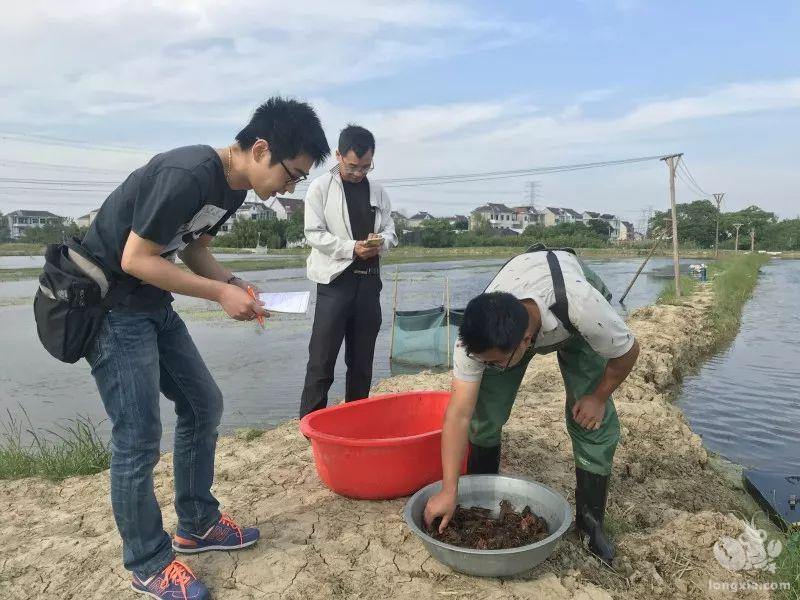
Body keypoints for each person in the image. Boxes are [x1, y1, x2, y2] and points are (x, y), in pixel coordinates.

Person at [80, 97, 330, 599]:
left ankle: (197, 524)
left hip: (150, 302)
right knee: (138, 436)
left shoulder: (234, 189)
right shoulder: (189, 172)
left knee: (202, 403)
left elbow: (193, 248)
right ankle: (148, 562)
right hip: (110, 306)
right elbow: (135, 257)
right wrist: (220, 293)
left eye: (299, 179)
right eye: (292, 173)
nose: (291, 185)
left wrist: (236, 282)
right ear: (260, 148)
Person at [423, 247, 640, 565]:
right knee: (484, 417)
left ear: (526, 343)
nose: (491, 367)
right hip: (520, 314)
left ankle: (590, 524)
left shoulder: (584, 305)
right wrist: (449, 489)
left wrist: (598, 397)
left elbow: (628, 351)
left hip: (569, 316)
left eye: (495, 363)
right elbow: (459, 414)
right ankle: (480, 495)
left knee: (590, 419)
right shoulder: (477, 337)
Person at [299, 125, 397, 418]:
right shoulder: (320, 188)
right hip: (334, 284)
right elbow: (313, 233)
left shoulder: (378, 191)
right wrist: (352, 247)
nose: (359, 173)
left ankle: (356, 419)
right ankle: (310, 423)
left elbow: (391, 229)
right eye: (353, 166)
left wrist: (381, 243)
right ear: (338, 155)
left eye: (366, 167)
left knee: (362, 362)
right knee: (321, 360)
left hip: (369, 284)